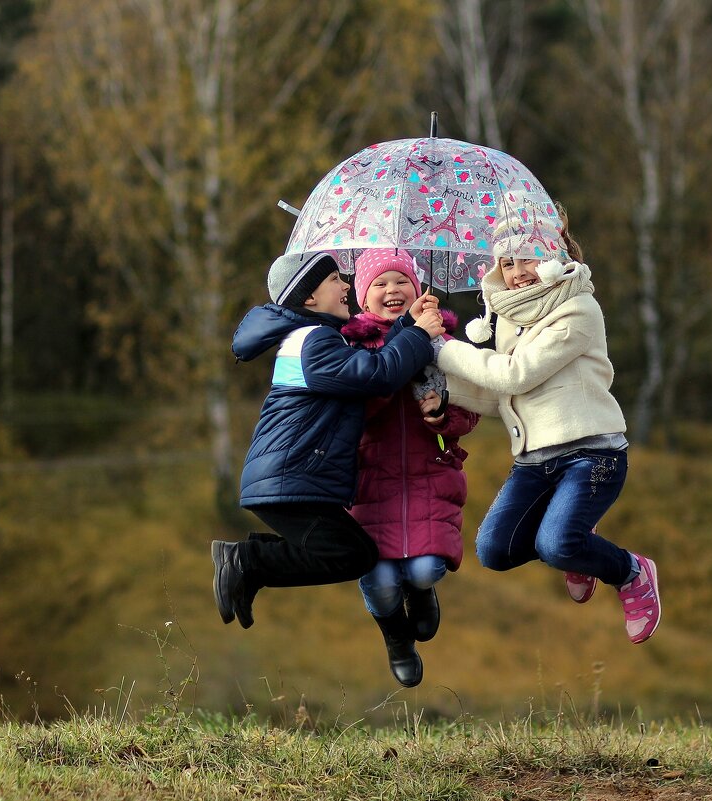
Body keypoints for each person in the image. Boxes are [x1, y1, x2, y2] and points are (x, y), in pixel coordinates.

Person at [433, 206, 662, 644]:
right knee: (494, 551)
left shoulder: (578, 309)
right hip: (534, 461)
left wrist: (442, 347)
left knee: (557, 544)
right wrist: (441, 390)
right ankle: (578, 546)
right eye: (507, 262)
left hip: (591, 454)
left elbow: (514, 373)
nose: (517, 273)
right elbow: (504, 396)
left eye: (529, 258)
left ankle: (631, 571)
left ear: (555, 254)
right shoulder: (509, 320)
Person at [212, 250, 446, 637]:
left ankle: (247, 567)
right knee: (351, 555)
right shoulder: (313, 341)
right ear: (309, 299)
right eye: (336, 279)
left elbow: (372, 363)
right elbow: (378, 373)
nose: (344, 286)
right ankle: (245, 560)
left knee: (355, 552)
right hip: (292, 476)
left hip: (293, 475)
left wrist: (406, 323)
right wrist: (419, 335)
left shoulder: (317, 339)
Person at [340, 249, 480, 687]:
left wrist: (442, 415)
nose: (391, 290)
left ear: (418, 289)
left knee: (424, 568)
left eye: (401, 280)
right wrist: (400, 354)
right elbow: (352, 408)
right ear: (364, 298)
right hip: (370, 480)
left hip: (429, 475)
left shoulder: (442, 344)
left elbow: (471, 408)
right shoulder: (352, 349)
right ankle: (396, 639)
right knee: (379, 578)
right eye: (379, 284)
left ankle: (421, 592)